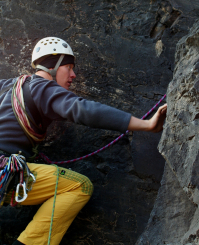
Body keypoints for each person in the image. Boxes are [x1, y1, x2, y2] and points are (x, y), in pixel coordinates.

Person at [0, 37, 167, 245]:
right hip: (5, 171)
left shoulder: (8, 86)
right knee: (79, 186)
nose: (73, 75)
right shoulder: (42, 88)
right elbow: (83, 110)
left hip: (6, 175)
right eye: (68, 67)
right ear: (53, 66)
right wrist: (146, 125)